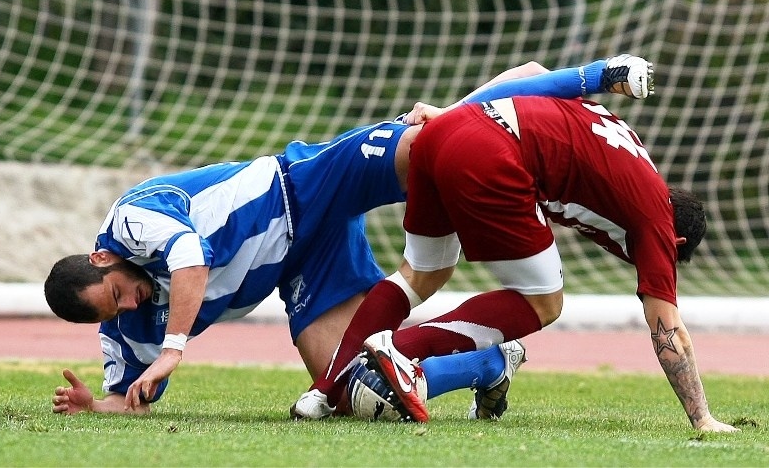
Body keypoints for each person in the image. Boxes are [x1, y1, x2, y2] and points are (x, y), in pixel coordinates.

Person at [46, 54, 648, 416]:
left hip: (301, 186)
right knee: (347, 392)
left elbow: (189, 261)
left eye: (120, 292)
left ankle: (564, 78)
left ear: (104, 257)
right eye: (114, 311)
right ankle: (488, 364)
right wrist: (97, 405)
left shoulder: (130, 219)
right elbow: (134, 399)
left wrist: (175, 347)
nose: (130, 305)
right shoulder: (124, 326)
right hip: (304, 265)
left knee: (426, 142)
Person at [293, 62, 739, 433]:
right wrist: (702, 419)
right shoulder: (656, 221)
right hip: (492, 156)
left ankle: (325, 388)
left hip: (444, 131)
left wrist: (450, 112)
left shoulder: (624, 139)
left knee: (421, 273)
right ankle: (401, 352)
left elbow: (530, 72)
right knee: (545, 302)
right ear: (675, 240)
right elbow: (668, 330)